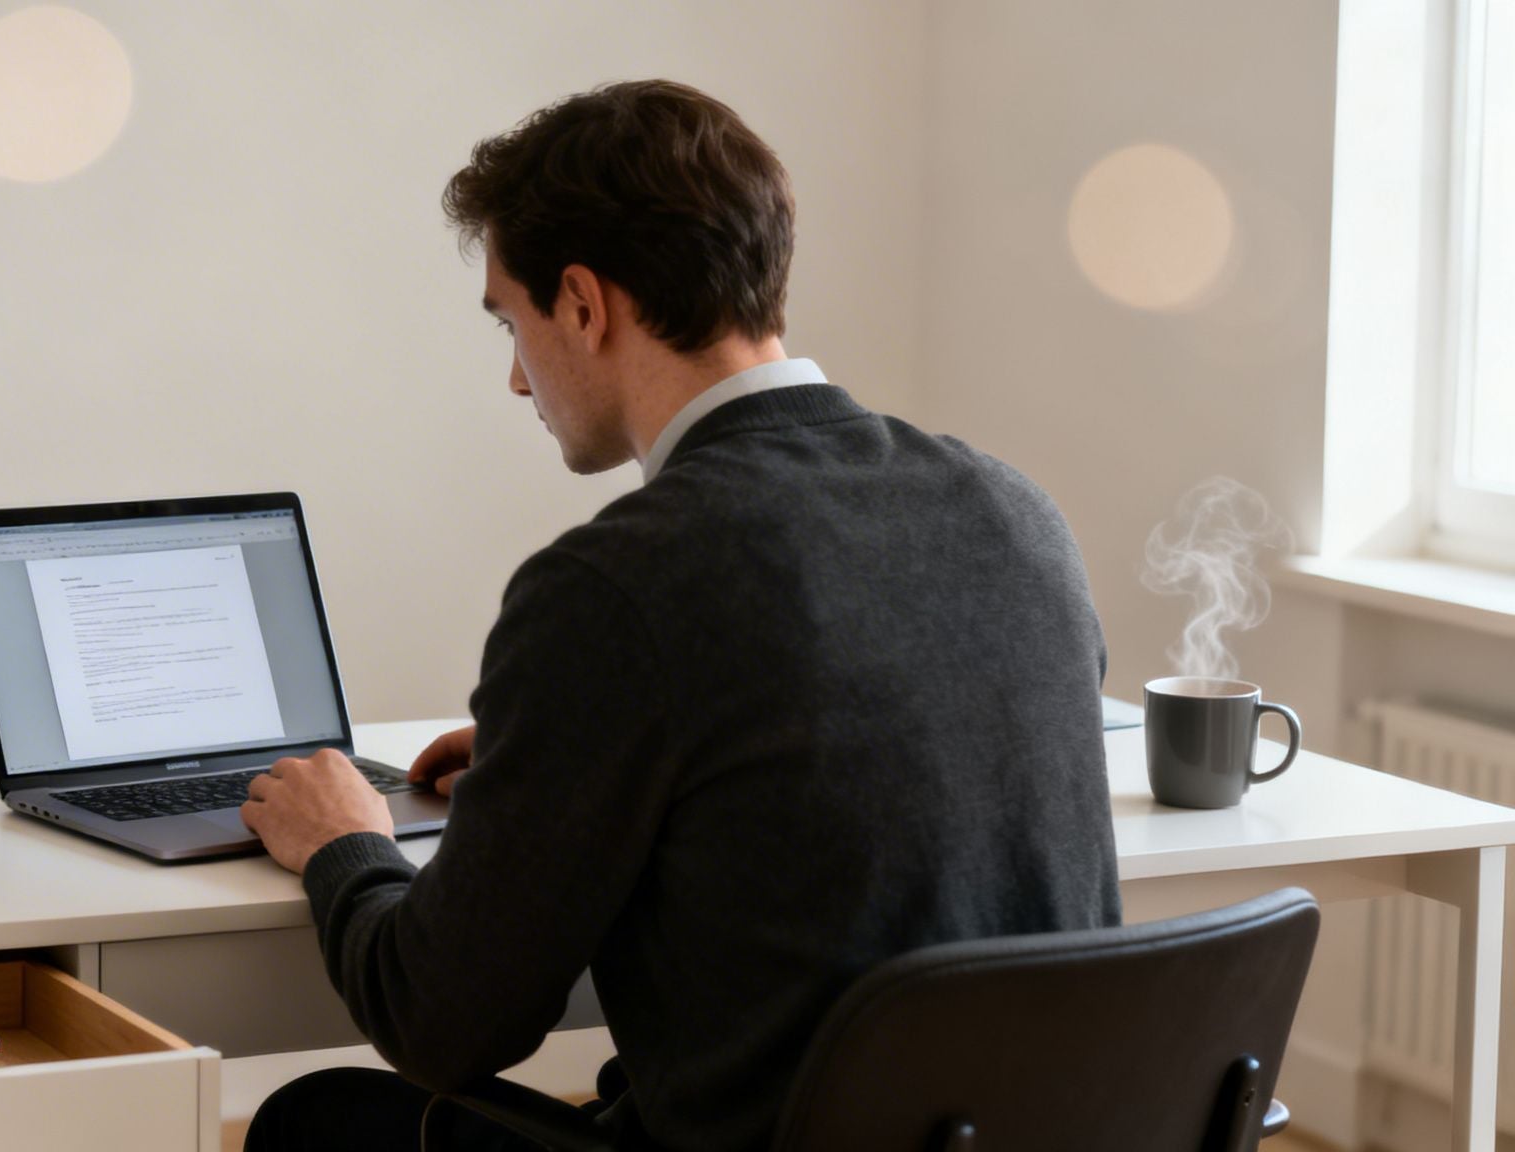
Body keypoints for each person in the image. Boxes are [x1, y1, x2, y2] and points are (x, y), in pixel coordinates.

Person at [238, 79, 1120, 1152]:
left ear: (580, 302)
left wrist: (344, 847)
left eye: (510, 324)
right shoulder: (1012, 509)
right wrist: (566, 749)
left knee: (316, 1123)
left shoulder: (614, 587)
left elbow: (441, 1022)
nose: (517, 380)